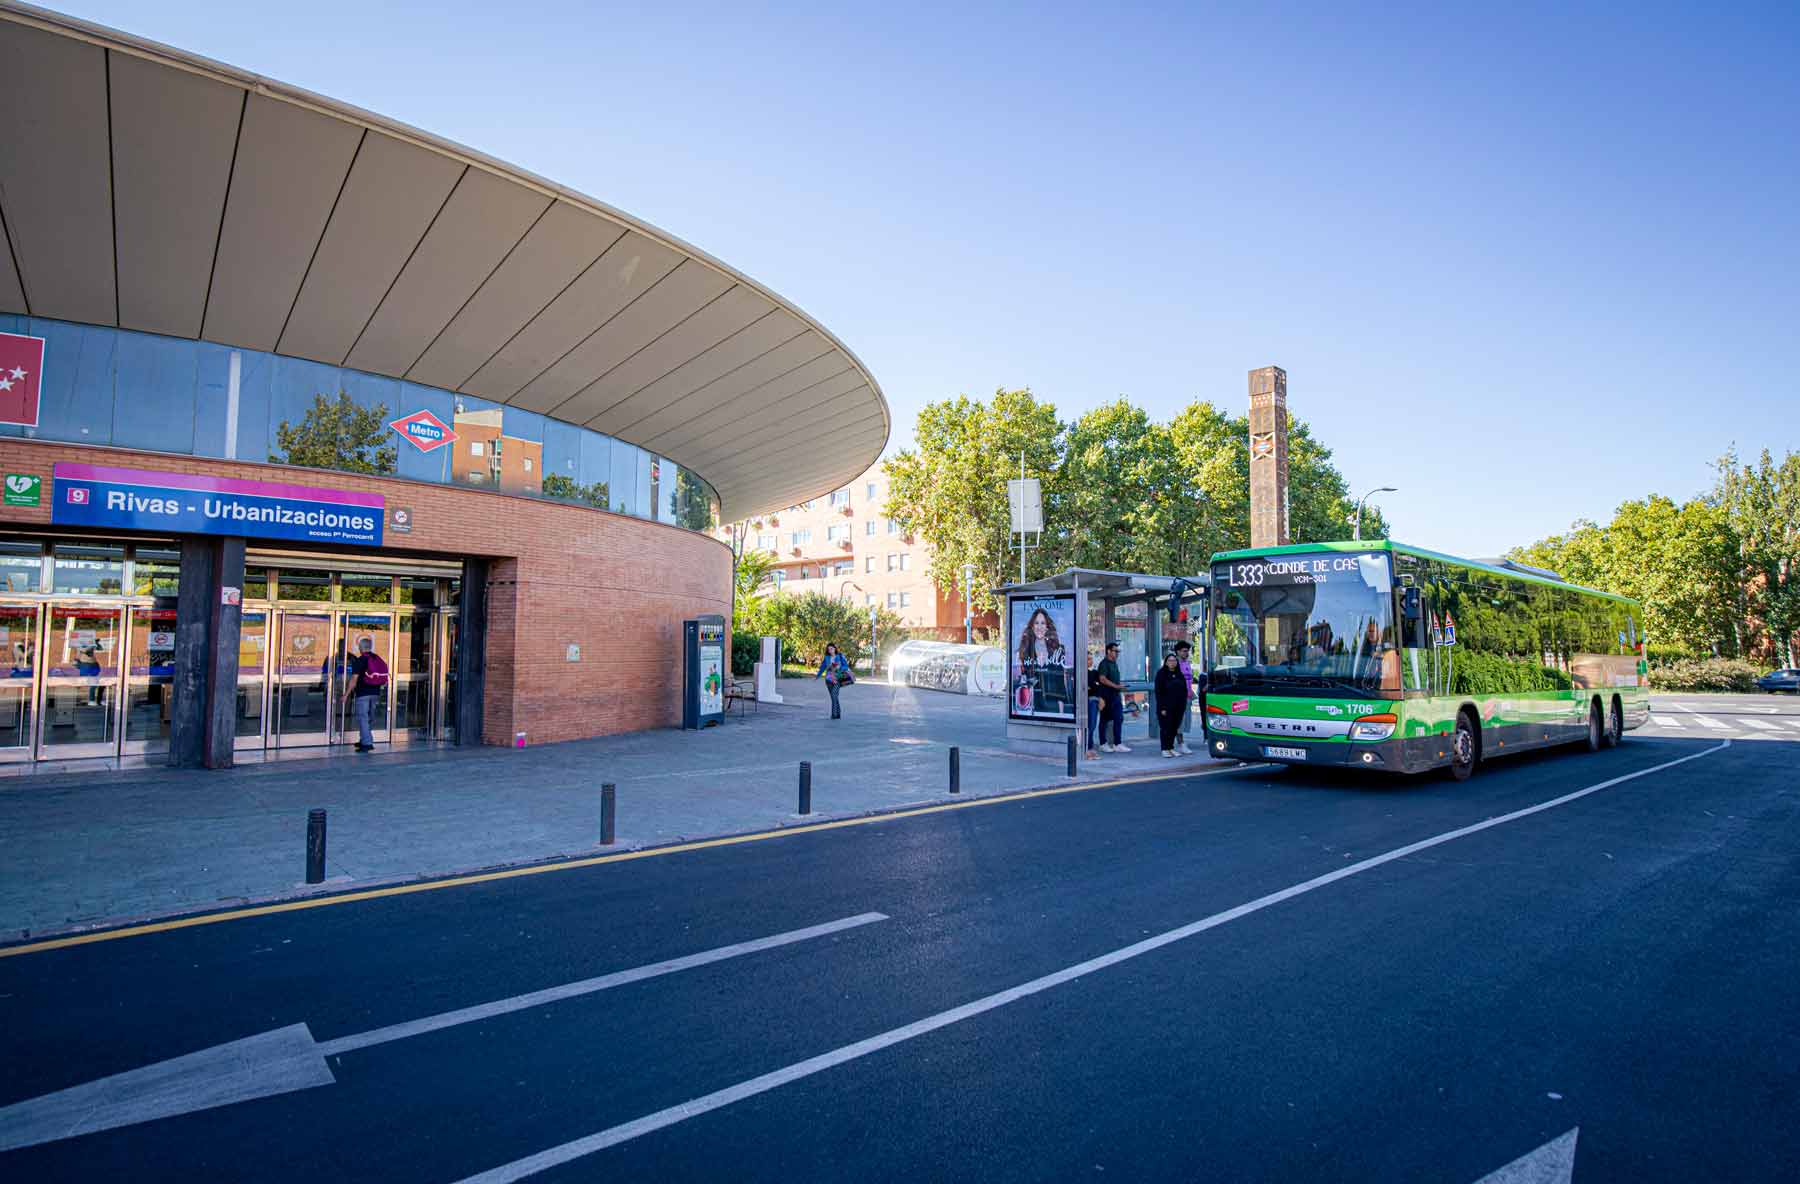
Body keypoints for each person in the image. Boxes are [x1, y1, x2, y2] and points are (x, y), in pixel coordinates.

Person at [1014, 607, 1071, 714]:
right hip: (1032, 706)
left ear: (1047, 627)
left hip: (1053, 704)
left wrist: (1061, 714)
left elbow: (1060, 685)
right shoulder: (1026, 650)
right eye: (1036, 623)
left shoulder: (1058, 649)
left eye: (1043, 623)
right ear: (1032, 626)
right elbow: (1022, 679)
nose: (1039, 627)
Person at [346, 636, 388, 752]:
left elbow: (354, 680)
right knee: (368, 718)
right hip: (375, 692)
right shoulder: (376, 657)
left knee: (362, 718)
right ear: (370, 647)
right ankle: (364, 739)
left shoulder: (360, 660)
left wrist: (346, 694)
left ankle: (367, 743)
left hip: (363, 693)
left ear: (360, 647)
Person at [1154, 652, 1190, 758]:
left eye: (1174, 661)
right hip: (1166, 707)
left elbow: (1184, 690)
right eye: (1170, 661)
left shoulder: (1179, 674)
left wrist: (1183, 705)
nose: (1172, 663)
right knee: (1166, 728)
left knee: (1174, 728)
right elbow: (1159, 692)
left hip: (1178, 707)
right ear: (1165, 662)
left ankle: (1171, 748)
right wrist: (1162, 708)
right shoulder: (1161, 674)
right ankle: (1165, 749)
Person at [1096, 641, 1130, 753]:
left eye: (1118, 651)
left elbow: (1115, 679)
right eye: (1115, 651)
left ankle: (1117, 743)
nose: (1117, 653)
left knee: (1119, 718)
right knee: (1104, 720)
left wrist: (1120, 686)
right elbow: (1102, 679)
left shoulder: (1114, 663)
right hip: (1106, 696)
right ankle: (1102, 743)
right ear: (1108, 651)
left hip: (1116, 695)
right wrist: (1116, 686)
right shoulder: (1104, 664)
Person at [1172, 640, 1198, 756]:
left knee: (1186, 721)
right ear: (1178, 652)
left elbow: (1189, 680)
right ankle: (1181, 744)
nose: (1186, 653)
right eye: (1184, 651)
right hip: (1178, 698)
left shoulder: (1187, 663)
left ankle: (1176, 743)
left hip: (1187, 697)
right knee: (1179, 722)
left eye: (1187, 651)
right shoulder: (1174, 664)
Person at [816, 642, 850, 719]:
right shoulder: (827, 658)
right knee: (833, 697)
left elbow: (846, 666)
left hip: (837, 679)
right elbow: (822, 667)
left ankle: (834, 715)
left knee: (834, 695)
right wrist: (818, 676)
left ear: (835, 649)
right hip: (828, 680)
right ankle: (838, 712)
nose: (830, 650)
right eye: (828, 649)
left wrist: (839, 668)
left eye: (831, 649)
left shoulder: (840, 656)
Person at [1084, 650, 1103, 759]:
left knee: (1092, 724)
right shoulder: (1082, 672)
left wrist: (1093, 687)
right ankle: (1088, 748)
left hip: (1094, 701)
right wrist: (1093, 687)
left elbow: (1097, 688)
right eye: (1087, 659)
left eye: (1091, 659)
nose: (1089, 661)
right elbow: (1088, 687)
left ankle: (1089, 747)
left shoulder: (1095, 673)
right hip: (1087, 701)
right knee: (1089, 725)